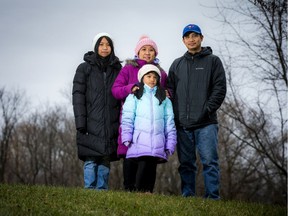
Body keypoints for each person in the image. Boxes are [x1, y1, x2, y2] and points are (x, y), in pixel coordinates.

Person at [167, 24, 227, 199]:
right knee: (186, 164)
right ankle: (188, 196)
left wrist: (207, 110)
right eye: (187, 36)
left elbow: (220, 89)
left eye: (195, 35)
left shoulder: (213, 61)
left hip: (206, 123)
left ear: (201, 38)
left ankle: (213, 197)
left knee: (210, 162)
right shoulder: (176, 64)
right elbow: (169, 91)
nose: (191, 39)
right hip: (182, 125)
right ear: (183, 40)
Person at [111, 35, 168, 191]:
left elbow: (166, 93)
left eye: (151, 50)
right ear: (138, 52)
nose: (147, 53)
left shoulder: (161, 73)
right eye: (144, 49)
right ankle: (129, 188)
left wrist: (167, 93)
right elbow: (115, 90)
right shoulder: (129, 69)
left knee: (150, 155)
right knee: (131, 154)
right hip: (133, 121)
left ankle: (147, 190)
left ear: (156, 54)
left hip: (153, 124)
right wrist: (130, 88)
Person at [72, 32, 122, 190]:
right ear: (95, 46)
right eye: (101, 44)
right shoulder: (84, 68)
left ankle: (102, 191)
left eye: (108, 45)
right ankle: (89, 190)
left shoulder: (117, 68)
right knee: (91, 157)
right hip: (90, 122)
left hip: (110, 122)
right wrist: (81, 123)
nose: (105, 48)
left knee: (105, 158)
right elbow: (78, 96)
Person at [121, 64, 177, 193]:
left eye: (155, 77)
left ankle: (148, 191)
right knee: (143, 164)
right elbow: (127, 118)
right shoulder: (135, 96)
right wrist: (126, 136)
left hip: (157, 140)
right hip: (140, 139)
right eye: (149, 76)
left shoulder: (164, 98)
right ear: (142, 78)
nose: (152, 79)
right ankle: (138, 190)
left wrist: (171, 142)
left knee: (151, 166)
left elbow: (169, 121)